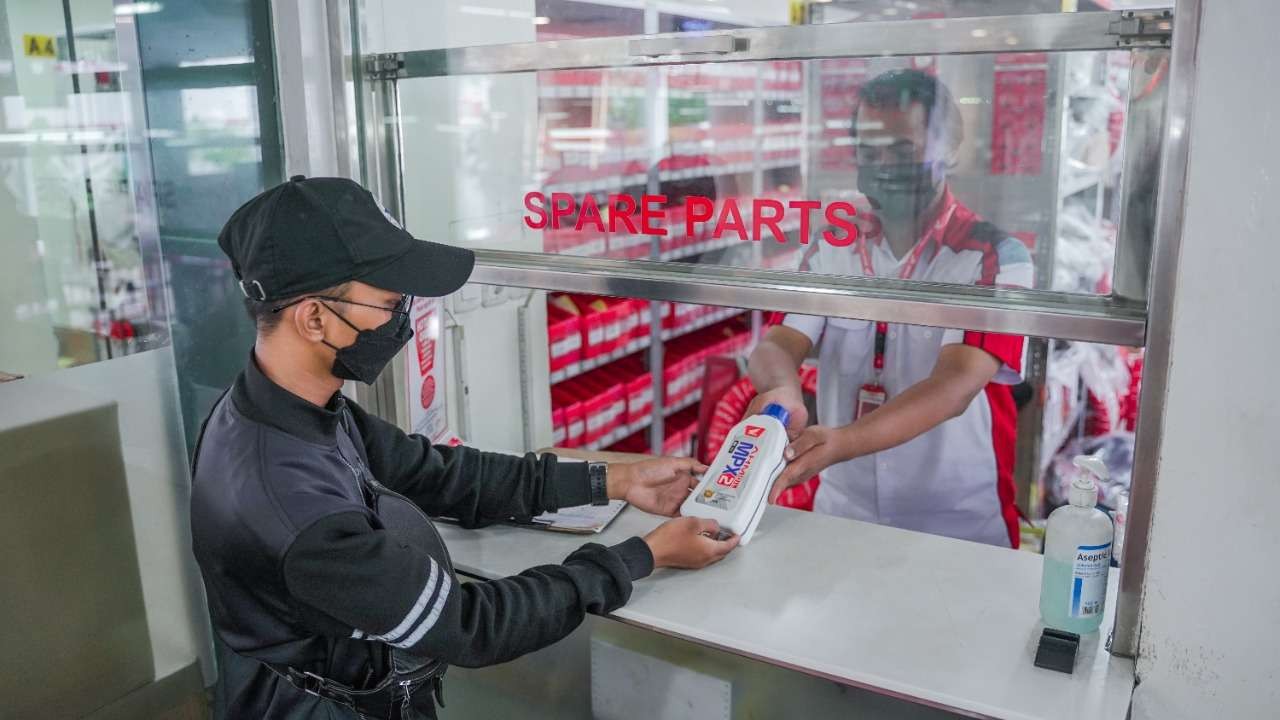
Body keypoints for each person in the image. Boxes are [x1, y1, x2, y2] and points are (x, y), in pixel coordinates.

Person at [190, 175, 739, 719]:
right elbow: (469, 626)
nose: (403, 315)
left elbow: (437, 474)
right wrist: (644, 555)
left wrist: (611, 481)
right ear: (314, 318)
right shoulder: (290, 502)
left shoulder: (294, 406)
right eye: (387, 301)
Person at [747, 69, 1034, 548]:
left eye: (903, 151)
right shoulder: (833, 245)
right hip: (841, 507)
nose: (883, 166)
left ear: (950, 148)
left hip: (954, 523)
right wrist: (783, 391)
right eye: (869, 151)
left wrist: (843, 442)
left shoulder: (994, 256)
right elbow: (779, 341)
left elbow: (955, 385)